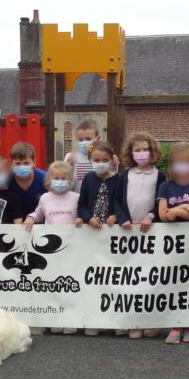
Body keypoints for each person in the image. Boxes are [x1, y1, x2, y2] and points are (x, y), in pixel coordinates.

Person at [114, 131, 166, 339]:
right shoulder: (124, 175)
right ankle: (132, 322)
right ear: (130, 153)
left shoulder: (159, 175)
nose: (142, 153)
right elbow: (117, 200)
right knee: (130, 280)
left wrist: (152, 216)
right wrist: (122, 218)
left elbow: (160, 201)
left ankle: (150, 321)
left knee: (149, 280)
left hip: (150, 231)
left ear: (152, 152)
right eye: (138, 150)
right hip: (128, 232)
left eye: (146, 149)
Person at [157, 142, 189, 344]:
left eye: (186, 163)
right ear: (171, 166)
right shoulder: (165, 186)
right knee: (173, 283)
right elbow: (163, 215)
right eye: (178, 163)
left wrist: (179, 209)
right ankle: (175, 325)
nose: (182, 167)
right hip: (172, 244)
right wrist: (185, 210)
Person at [23, 161, 80, 335]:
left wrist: (81, 220)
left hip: (71, 250)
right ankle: (56, 318)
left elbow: (83, 213)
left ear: (70, 180)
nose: (60, 181)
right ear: (49, 179)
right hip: (50, 251)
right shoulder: (45, 198)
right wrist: (31, 218)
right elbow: (38, 213)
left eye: (64, 178)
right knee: (53, 284)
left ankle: (71, 319)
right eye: (56, 178)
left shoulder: (76, 197)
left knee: (69, 284)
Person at [76, 140, 121, 337]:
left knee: (113, 277)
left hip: (112, 235)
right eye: (96, 160)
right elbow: (82, 205)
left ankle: (115, 321)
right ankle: (93, 319)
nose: (100, 163)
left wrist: (116, 216)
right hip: (92, 234)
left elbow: (122, 202)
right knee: (94, 279)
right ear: (90, 160)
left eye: (105, 160)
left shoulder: (119, 179)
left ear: (112, 160)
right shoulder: (88, 179)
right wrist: (87, 218)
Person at [9, 142, 47, 216]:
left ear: (34, 162)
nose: (22, 166)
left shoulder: (45, 179)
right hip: (13, 224)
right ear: (11, 163)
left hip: (41, 224)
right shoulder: (6, 181)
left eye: (26, 163)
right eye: (17, 163)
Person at [64, 119, 100, 192]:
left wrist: (114, 164)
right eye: (80, 140)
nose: (84, 142)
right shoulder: (70, 157)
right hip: (77, 199)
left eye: (88, 139)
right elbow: (65, 183)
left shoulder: (102, 157)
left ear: (97, 139)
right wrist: (68, 167)